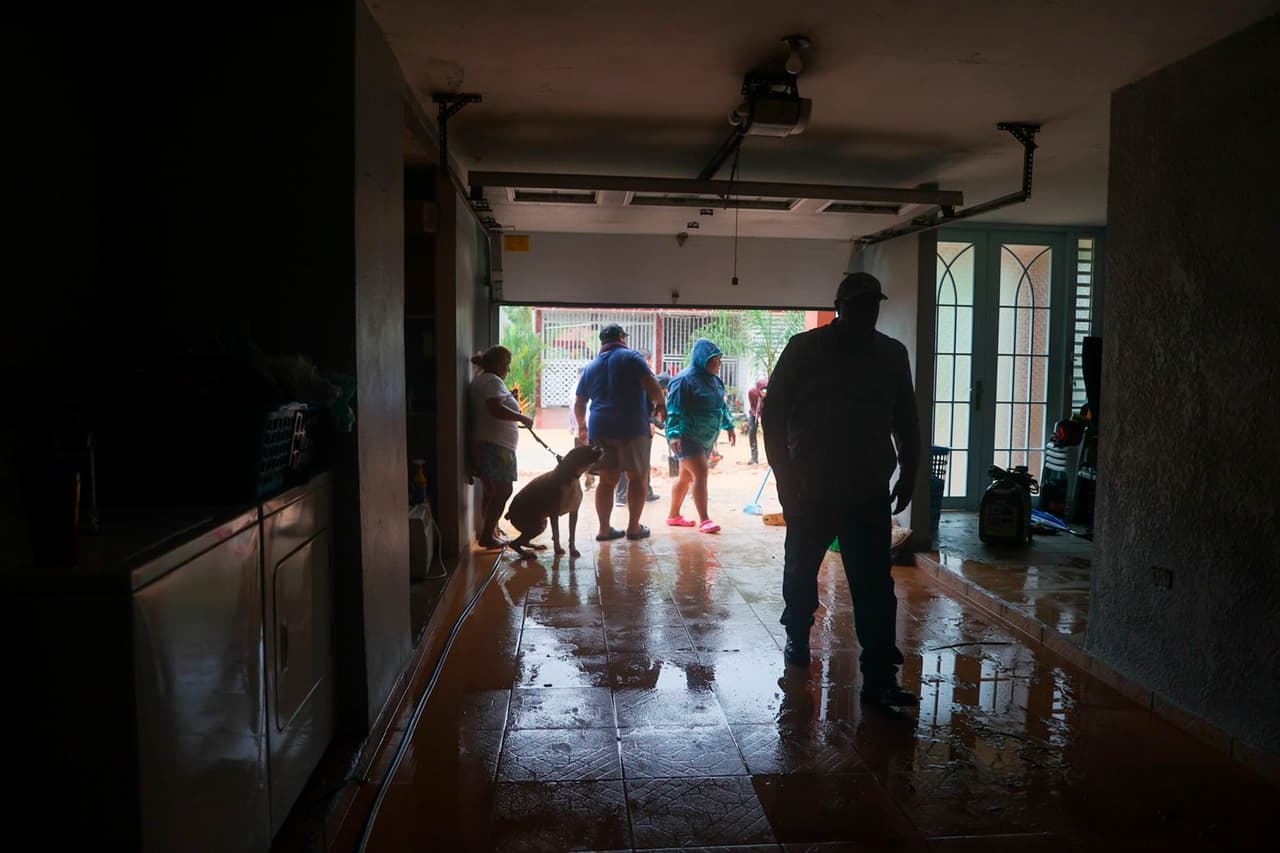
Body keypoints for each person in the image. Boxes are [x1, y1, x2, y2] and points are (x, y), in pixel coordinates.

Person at [762, 272, 921, 707]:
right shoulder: (804, 349)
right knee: (800, 570)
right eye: (857, 305)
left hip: (868, 490)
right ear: (839, 307)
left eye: (872, 306)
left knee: (875, 586)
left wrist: (910, 472)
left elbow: (906, 419)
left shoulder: (891, 354)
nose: (866, 313)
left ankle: (880, 676)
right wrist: (784, 477)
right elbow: (773, 415)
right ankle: (798, 634)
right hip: (810, 488)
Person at [574, 323, 668, 541]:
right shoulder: (632, 358)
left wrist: (582, 426)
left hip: (600, 428)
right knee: (637, 477)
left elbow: (580, 402)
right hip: (631, 426)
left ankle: (604, 529)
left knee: (607, 480)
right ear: (621, 338)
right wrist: (661, 404)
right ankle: (634, 528)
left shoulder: (591, 366)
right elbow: (650, 382)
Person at [664, 338, 736, 534]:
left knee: (685, 477)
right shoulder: (683, 380)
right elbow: (673, 409)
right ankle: (705, 520)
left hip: (706, 437)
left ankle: (673, 515)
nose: (718, 364)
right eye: (714, 361)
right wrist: (673, 434)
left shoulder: (715, 381)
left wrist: (729, 426)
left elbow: (721, 406)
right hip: (686, 435)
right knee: (701, 474)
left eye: (719, 360)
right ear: (703, 360)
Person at [468, 345, 534, 549]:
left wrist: (510, 400)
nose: (508, 368)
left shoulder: (484, 380)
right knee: (503, 491)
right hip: (496, 446)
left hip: (493, 445)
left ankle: (490, 531)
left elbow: (495, 405)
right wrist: (522, 417)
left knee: (492, 492)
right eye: (506, 363)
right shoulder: (491, 381)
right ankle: (488, 535)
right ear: (498, 364)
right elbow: (495, 409)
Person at [567, 368, 595, 491]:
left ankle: (589, 480)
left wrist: (572, 425)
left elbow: (572, 409)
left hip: (584, 427)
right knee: (586, 454)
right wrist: (573, 425)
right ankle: (589, 480)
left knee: (583, 455)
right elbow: (573, 408)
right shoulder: (581, 388)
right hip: (585, 427)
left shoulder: (576, 389)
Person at [746, 377, 768, 465]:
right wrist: (757, 416)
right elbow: (752, 405)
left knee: (768, 433)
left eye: (766, 390)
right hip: (754, 411)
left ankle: (771, 456)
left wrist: (762, 416)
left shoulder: (771, 394)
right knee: (752, 430)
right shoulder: (751, 392)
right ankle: (754, 457)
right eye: (763, 390)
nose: (765, 393)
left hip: (765, 412)